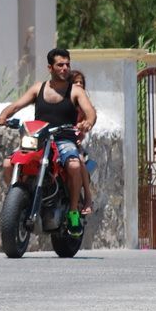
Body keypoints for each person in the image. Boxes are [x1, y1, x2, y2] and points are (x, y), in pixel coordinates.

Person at [0, 48, 96, 237]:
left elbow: (90, 111)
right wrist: (3, 116)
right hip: (38, 138)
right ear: (50, 67)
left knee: (74, 165)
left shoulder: (75, 91)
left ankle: (73, 212)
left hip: (64, 138)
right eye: (60, 65)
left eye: (67, 64)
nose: (65, 68)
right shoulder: (38, 88)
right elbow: (16, 105)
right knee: (8, 163)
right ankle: (17, 200)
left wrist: (88, 122)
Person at [69, 70, 94, 215]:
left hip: (74, 143)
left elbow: (89, 118)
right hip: (56, 141)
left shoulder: (84, 105)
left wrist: (82, 128)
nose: (79, 84)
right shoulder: (63, 100)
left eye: (81, 82)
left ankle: (88, 198)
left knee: (78, 162)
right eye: (75, 82)